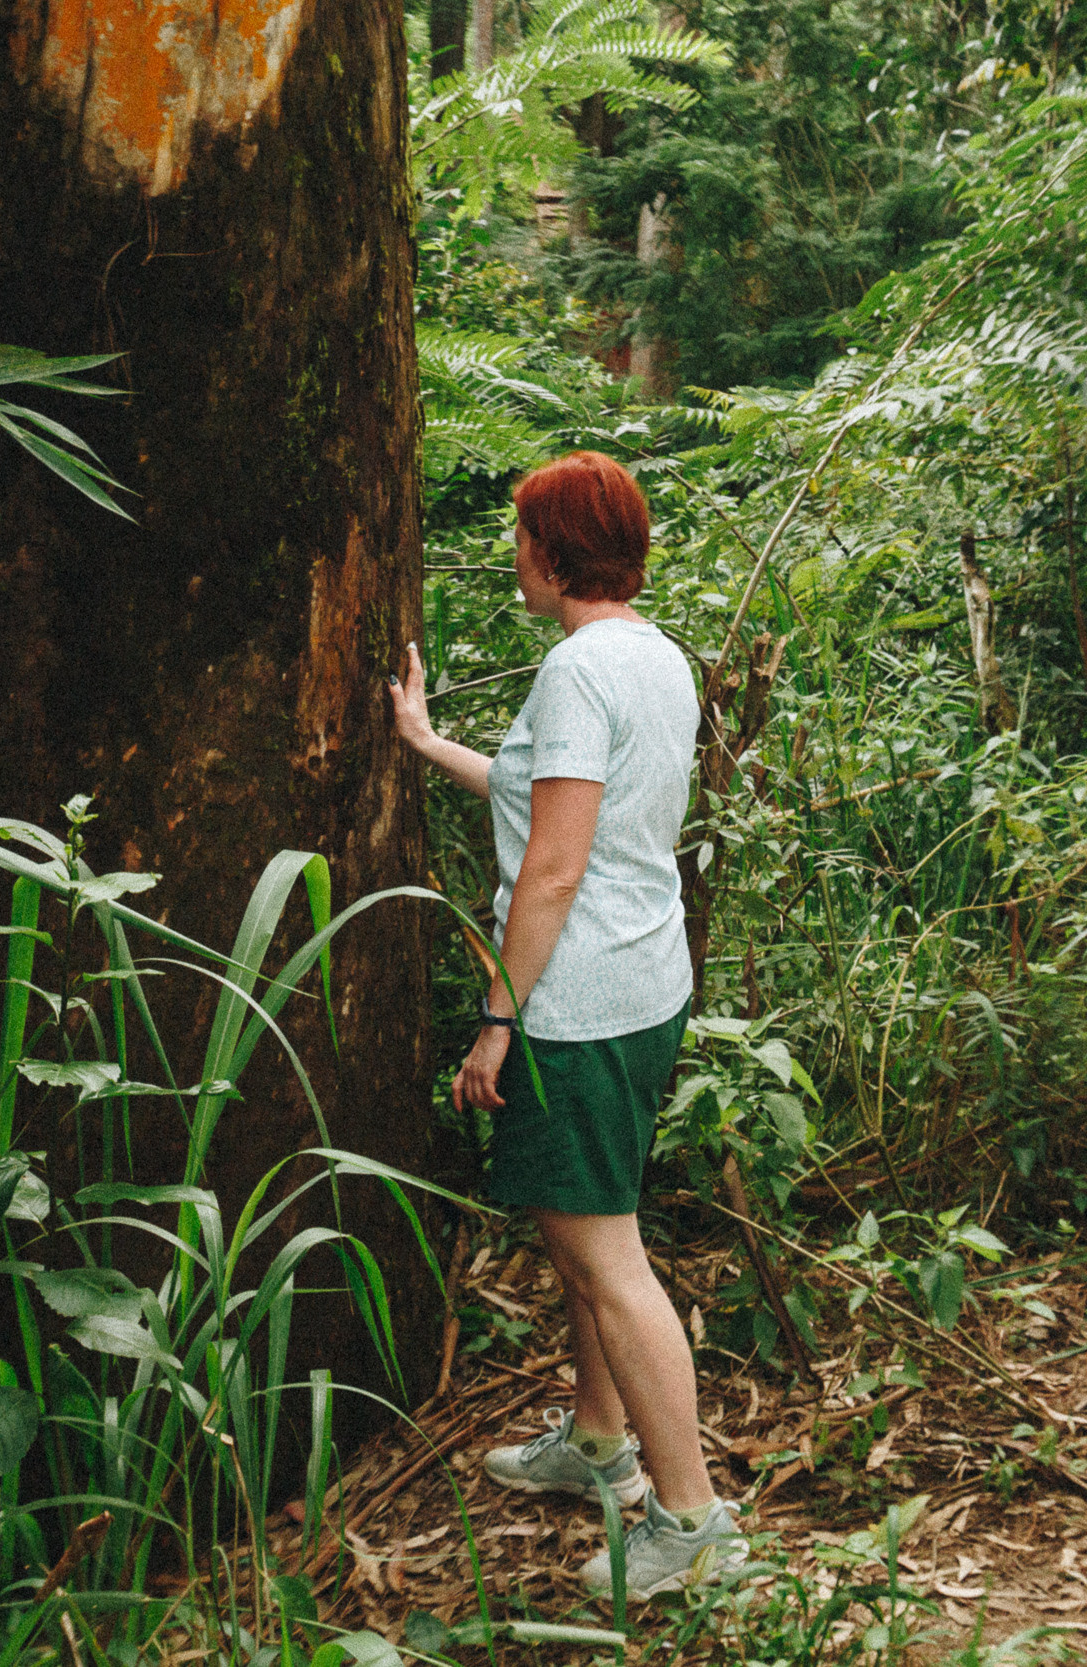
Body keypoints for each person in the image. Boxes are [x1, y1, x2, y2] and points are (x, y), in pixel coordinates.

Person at [387, 451, 743, 1601]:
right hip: (643, 982)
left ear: (552, 553)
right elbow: (554, 794)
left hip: (578, 1003)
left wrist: (498, 1018)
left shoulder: (576, 670)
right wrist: (426, 740)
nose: (514, 553)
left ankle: (692, 1522)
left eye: (522, 536)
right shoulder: (652, 655)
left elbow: (551, 865)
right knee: (590, 1230)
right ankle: (597, 1439)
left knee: (607, 1259)